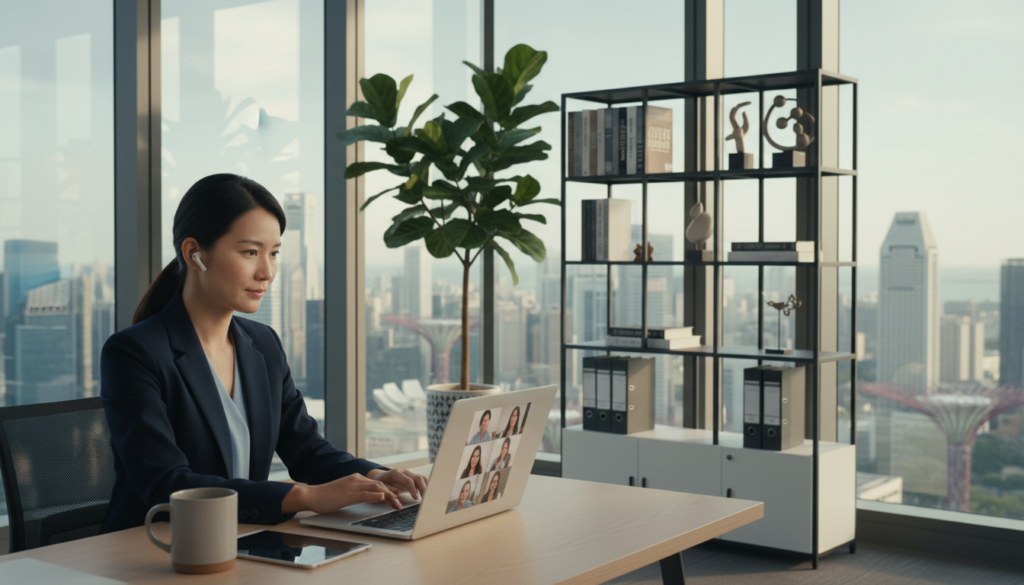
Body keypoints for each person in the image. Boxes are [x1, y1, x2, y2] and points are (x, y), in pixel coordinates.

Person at [99, 174, 428, 534]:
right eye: (250, 252)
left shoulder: (263, 345)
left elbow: (305, 450)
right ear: (194, 253)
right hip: (157, 548)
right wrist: (304, 497)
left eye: (273, 254)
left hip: (243, 540)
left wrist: (374, 475)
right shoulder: (134, 353)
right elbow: (167, 484)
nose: (266, 272)